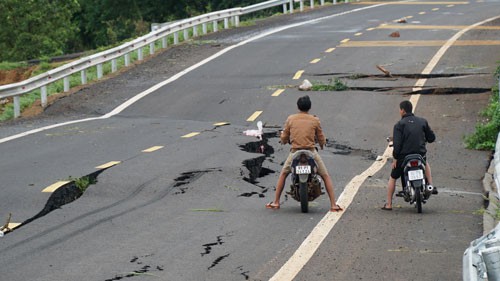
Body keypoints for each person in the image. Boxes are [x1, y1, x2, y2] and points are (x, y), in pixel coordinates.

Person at [265, 95, 343, 212]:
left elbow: (285, 137)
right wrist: (322, 144)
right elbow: (321, 137)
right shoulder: (315, 120)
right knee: (325, 176)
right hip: (311, 151)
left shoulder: (291, 119)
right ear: (309, 107)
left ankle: (276, 202)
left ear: (298, 106)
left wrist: (283, 140)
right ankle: (333, 204)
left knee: (283, 174)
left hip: (295, 152)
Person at [382, 100, 436, 211]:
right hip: (419, 154)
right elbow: (432, 138)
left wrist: (395, 158)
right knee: (425, 163)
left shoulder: (399, 125)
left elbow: (397, 145)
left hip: (404, 157)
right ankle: (430, 185)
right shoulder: (422, 122)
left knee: (393, 177)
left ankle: (389, 204)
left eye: (399, 109)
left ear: (402, 110)